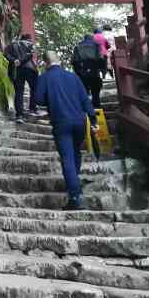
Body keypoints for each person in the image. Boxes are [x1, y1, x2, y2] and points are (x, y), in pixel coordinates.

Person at [35, 50, 98, 209]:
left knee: (67, 158)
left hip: (61, 122)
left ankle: (76, 197)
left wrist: (51, 100)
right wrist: (93, 120)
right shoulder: (73, 77)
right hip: (79, 122)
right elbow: (85, 99)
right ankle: (74, 183)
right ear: (60, 61)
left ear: (45, 63)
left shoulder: (44, 78)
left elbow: (38, 99)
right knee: (76, 152)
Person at [4, 32, 38, 122]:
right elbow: (30, 54)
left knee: (19, 92)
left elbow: (5, 53)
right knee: (34, 89)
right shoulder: (31, 44)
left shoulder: (12, 44)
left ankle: (19, 115)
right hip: (30, 69)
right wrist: (21, 60)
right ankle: (32, 109)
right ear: (28, 39)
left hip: (17, 70)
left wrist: (14, 60)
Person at [72, 32, 103, 108]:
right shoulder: (97, 46)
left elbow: (74, 61)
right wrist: (101, 70)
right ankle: (97, 108)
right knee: (95, 93)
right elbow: (101, 59)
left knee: (84, 92)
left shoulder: (77, 47)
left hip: (82, 72)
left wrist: (78, 73)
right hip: (94, 71)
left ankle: (86, 110)